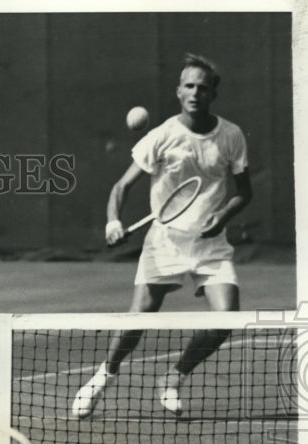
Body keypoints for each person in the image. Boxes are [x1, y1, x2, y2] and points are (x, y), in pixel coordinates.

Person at [71, 53, 252, 418]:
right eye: (189, 86)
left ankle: (174, 376)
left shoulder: (231, 136)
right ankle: (102, 377)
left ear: (213, 93)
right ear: (178, 91)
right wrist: (113, 222)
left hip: (210, 244)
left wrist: (222, 216)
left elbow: (244, 192)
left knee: (226, 319)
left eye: (203, 87)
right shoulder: (162, 136)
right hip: (164, 243)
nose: (195, 93)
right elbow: (120, 188)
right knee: (140, 318)